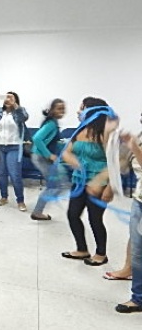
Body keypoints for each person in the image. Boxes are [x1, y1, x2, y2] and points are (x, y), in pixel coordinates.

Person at [60, 97, 113, 266]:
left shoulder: (106, 133)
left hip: (98, 183)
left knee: (95, 219)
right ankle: (82, 249)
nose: (78, 111)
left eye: (82, 108)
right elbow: (67, 151)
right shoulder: (80, 130)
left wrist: (109, 189)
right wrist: (72, 160)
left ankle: (101, 254)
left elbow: (115, 164)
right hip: (79, 181)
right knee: (73, 214)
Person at [114, 128, 142, 313]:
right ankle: (138, 298)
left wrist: (134, 147)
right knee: (137, 252)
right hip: (139, 199)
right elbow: (125, 165)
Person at [0, 91, 29, 212]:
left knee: (15, 175)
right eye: (6, 97)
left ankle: (20, 201)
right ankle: (4, 197)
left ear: (16, 100)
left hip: (14, 147)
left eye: (11, 97)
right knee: (1, 173)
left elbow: (24, 117)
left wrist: (15, 105)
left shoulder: (19, 111)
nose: (7, 99)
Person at [30, 99, 67, 220]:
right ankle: (37, 212)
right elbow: (37, 138)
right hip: (41, 157)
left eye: (63, 108)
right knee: (55, 186)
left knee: (57, 185)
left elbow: (51, 140)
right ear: (52, 110)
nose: (62, 111)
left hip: (43, 156)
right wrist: (49, 155)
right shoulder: (51, 123)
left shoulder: (54, 123)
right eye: (59, 108)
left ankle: (40, 208)